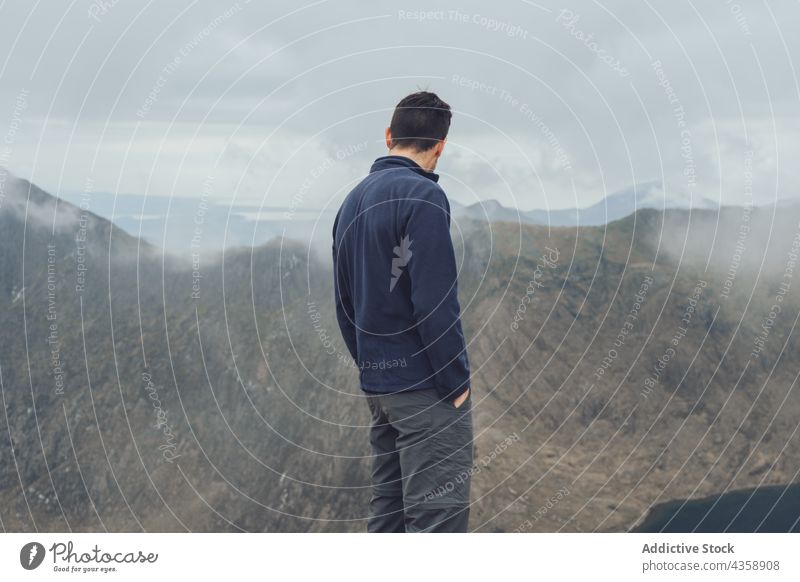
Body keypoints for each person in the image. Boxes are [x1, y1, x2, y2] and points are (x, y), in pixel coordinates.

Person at [332, 91, 473, 532]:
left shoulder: (351, 201)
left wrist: (371, 367)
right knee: (437, 521)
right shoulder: (424, 198)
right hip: (425, 389)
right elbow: (434, 302)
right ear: (441, 145)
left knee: (388, 516)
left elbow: (343, 301)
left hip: (381, 388)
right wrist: (455, 384)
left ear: (390, 135)